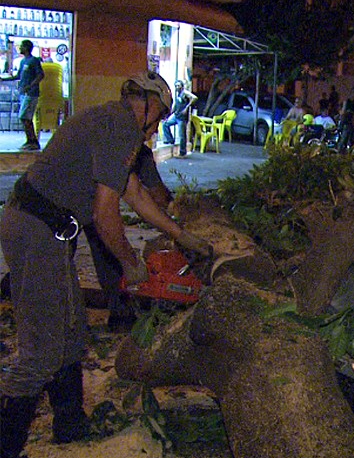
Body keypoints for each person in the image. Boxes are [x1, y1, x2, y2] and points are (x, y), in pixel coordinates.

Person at [0, 71, 213, 458]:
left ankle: (69, 424)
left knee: (72, 331)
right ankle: (6, 443)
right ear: (147, 105)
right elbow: (104, 213)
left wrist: (181, 235)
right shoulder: (118, 125)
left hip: (48, 232)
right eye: (160, 116)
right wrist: (130, 265)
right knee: (41, 350)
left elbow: (134, 193)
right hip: (36, 230)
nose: (156, 128)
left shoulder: (113, 125)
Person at [84, 143, 173, 332]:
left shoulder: (136, 151)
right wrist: (129, 260)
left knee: (105, 249)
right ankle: (121, 312)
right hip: (82, 203)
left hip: (88, 201)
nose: (155, 129)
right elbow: (155, 195)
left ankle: (120, 312)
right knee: (109, 249)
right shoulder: (131, 149)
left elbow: (146, 194)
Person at [1, 40, 45, 151]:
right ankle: (30, 140)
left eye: (21, 46)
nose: (19, 48)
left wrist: (30, 86)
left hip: (31, 94)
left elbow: (41, 75)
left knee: (24, 117)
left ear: (26, 47)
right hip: (23, 94)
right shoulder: (23, 61)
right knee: (26, 118)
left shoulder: (33, 61)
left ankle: (33, 141)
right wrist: (4, 79)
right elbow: (18, 76)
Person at [162, 79, 198, 158]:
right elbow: (175, 105)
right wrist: (169, 114)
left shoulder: (185, 93)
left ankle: (182, 152)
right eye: (176, 86)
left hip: (182, 118)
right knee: (165, 124)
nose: (177, 87)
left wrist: (187, 108)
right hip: (176, 115)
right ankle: (170, 140)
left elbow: (194, 98)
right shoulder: (178, 94)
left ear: (182, 86)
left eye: (178, 85)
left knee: (182, 136)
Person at [338, 86, 354, 153]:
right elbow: (343, 112)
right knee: (344, 139)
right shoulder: (347, 101)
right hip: (347, 122)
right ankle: (339, 152)